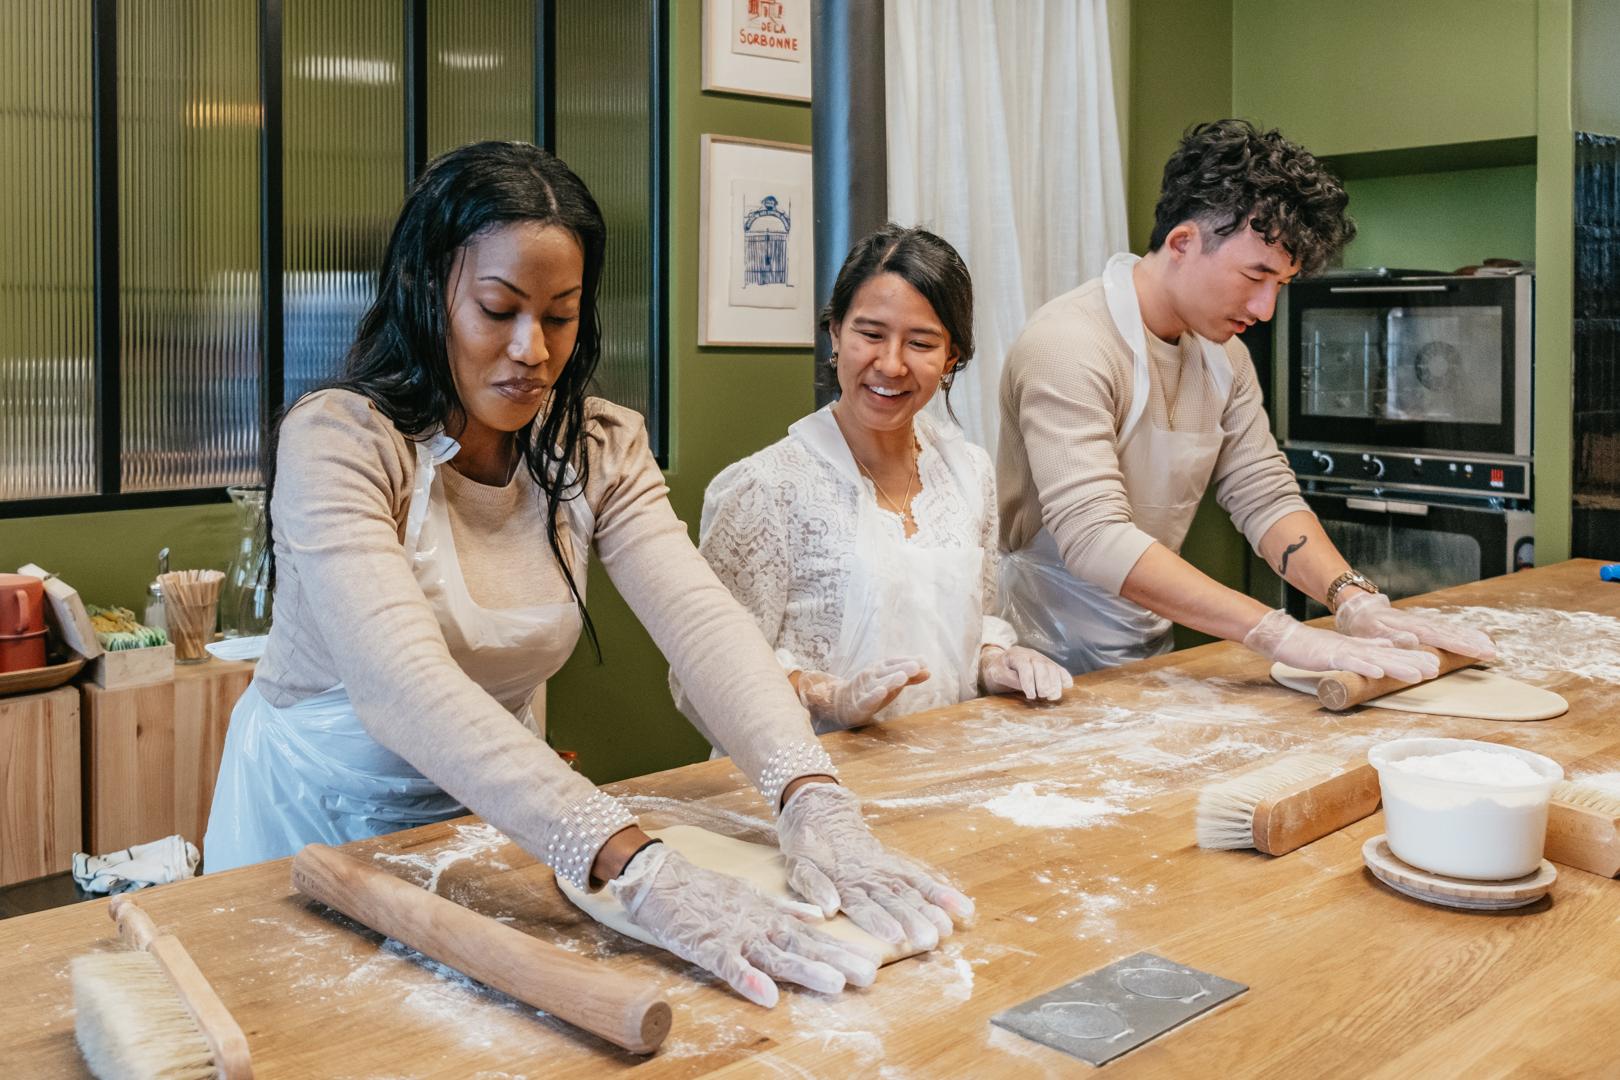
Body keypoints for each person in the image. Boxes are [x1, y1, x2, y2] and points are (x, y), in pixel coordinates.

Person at [203, 143, 971, 1008]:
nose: (531, 350)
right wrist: (633, 863)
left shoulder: (596, 445)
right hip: (313, 822)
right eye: (498, 310)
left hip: (504, 813)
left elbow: (703, 623)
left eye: (560, 317)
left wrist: (810, 794)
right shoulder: (341, 441)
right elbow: (401, 685)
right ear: (427, 290)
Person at [997, 120, 1495, 679]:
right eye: (1255, 276)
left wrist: (1354, 598)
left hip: (1142, 650)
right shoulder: (1068, 344)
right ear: (1183, 243)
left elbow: (1264, 494)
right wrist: (1278, 633)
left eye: (1280, 285)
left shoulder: (1223, 356)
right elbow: (1094, 537)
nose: (1265, 310)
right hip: (1038, 658)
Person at [674, 224, 1071, 745]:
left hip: (944, 764)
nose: (891, 364)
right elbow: (705, 671)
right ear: (835, 333)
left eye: (921, 343)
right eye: (871, 334)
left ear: (951, 358)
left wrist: (996, 661)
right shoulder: (766, 487)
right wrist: (824, 696)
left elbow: (973, 621)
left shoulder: (968, 473)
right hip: (808, 775)